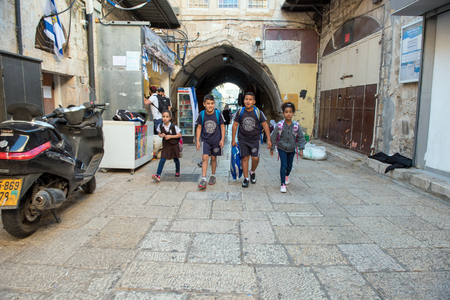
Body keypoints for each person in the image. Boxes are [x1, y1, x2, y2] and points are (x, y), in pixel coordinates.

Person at [231, 92, 272, 188]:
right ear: (243, 100)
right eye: (246, 99)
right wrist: (233, 139)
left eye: (250, 99)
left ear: (254, 101)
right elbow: (235, 125)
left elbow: (265, 125)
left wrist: (269, 139)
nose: (248, 101)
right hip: (243, 139)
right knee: (245, 158)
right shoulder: (240, 112)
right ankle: (246, 179)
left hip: (255, 139)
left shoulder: (258, 112)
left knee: (255, 158)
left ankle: (252, 171)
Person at [270, 102, 305, 193]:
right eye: (286, 112)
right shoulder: (279, 125)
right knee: (283, 165)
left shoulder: (296, 126)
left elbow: (301, 137)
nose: (288, 114)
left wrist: (301, 148)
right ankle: (283, 184)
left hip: (292, 149)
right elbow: (274, 137)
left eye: (290, 112)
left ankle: (287, 176)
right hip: (281, 148)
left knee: (289, 166)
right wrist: (272, 148)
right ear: (283, 113)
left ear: (293, 113)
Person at [196, 94, 225, 189]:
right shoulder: (202, 114)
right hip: (206, 140)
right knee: (205, 157)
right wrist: (197, 141)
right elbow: (199, 127)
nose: (210, 105)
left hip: (216, 140)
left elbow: (222, 126)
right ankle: (203, 179)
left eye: (212, 103)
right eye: (208, 103)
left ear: (214, 104)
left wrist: (222, 139)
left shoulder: (218, 114)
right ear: (204, 104)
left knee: (213, 158)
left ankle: (213, 175)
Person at [152, 110, 182, 182]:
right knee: (162, 160)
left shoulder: (173, 126)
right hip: (166, 145)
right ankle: (158, 174)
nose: (165, 118)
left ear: (170, 118)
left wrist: (170, 136)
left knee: (175, 159)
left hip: (174, 145)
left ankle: (177, 170)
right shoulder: (160, 126)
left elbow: (179, 134)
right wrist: (161, 135)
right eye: (163, 116)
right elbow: (159, 133)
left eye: (167, 117)